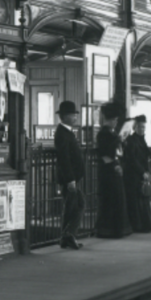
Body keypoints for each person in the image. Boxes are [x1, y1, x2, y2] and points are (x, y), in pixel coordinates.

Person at [94, 102, 132, 239]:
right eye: (114, 120)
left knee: (116, 200)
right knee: (111, 200)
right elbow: (105, 153)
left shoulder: (111, 133)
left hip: (114, 168)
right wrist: (115, 165)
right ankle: (109, 230)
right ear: (108, 120)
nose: (115, 122)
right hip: (108, 171)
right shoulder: (103, 134)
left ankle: (116, 229)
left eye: (116, 120)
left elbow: (117, 150)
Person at [54, 100, 85, 249]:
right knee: (79, 205)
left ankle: (65, 238)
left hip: (73, 178)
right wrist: (70, 179)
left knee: (71, 207)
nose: (75, 118)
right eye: (73, 115)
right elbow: (64, 158)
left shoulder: (66, 132)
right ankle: (68, 235)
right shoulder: (62, 133)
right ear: (65, 116)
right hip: (69, 179)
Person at [123, 115, 151, 233]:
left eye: (143, 127)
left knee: (144, 200)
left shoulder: (141, 139)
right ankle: (139, 226)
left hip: (141, 173)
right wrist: (142, 171)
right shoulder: (131, 140)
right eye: (139, 127)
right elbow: (132, 159)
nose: (142, 129)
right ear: (135, 127)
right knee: (137, 201)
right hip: (134, 175)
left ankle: (147, 225)